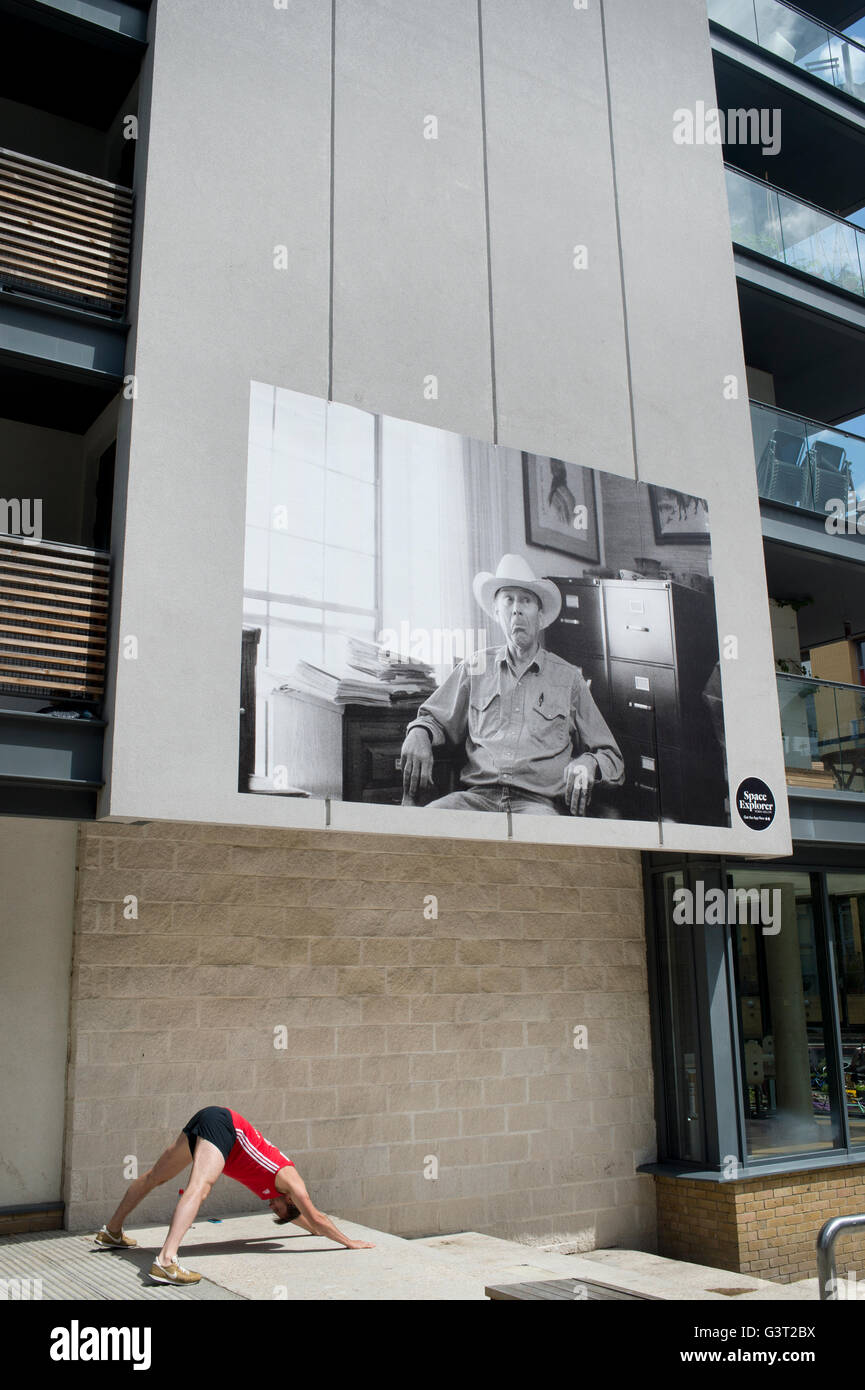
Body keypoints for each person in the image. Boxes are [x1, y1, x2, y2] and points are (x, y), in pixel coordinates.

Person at [400, 553, 624, 815]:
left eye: (526, 600)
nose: (516, 608)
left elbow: (612, 759)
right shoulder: (475, 669)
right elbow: (432, 718)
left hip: (537, 805)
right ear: (497, 613)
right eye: (509, 600)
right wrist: (418, 733)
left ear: (541, 617)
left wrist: (588, 762)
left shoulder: (569, 679)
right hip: (476, 800)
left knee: (541, 846)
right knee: (424, 827)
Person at [94, 1104, 373, 1285]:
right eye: (278, 1209)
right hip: (225, 1125)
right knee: (200, 1187)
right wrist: (348, 1241)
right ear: (290, 1199)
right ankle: (166, 1261)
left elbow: (306, 1221)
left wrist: (313, 1230)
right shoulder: (291, 1180)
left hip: (209, 1117)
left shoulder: (275, 1191)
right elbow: (315, 1217)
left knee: (156, 1176)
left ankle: (112, 1231)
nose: (271, 1207)